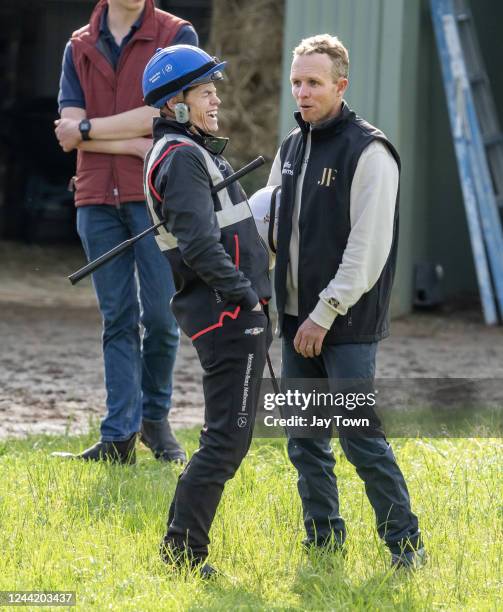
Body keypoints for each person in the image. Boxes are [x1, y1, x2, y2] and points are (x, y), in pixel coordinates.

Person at [267, 34, 425, 569]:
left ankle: (405, 546)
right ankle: (323, 541)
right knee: (304, 440)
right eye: (296, 82)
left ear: (341, 85)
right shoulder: (291, 148)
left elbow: (369, 247)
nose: (303, 92)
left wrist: (324, 311)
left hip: (346, 321)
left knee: (360, 437)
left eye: (313, 82)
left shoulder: (370, 150)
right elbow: (271, 224)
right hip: (294, 321)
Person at [142, 44, 272, 576]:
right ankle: (184, 553)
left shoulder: (192, 152)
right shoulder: (182, 159)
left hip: (231, 314)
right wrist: (245, 296)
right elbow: (198, 245)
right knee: (226, 440)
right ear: (175, 104)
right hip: (227, 318)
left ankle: (178, 544)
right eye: (204, 90)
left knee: (226, 437)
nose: (216, 97)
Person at [52, 0, 198, 464]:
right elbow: (66, 135)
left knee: (159, 316)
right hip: (95, 199)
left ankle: (155, 422)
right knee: (117, 319)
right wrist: (129, 140)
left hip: (153, 196)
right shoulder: (78, 45)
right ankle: (118, 436)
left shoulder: (177, 35)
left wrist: (95, 130)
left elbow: (163, 118)